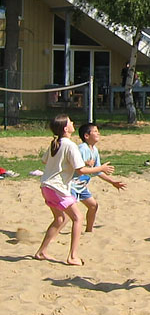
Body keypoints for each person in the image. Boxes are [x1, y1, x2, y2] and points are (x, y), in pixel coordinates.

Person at [35, 114, 115, 265]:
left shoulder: (55, 142)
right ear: (66, 128)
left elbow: (44, 160)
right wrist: (101, 168)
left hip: (46, 186)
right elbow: (81, 170)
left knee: (60, 219)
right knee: (77, 218)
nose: (73, 123)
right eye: (70, 122)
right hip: (57, 187)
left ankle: (41, 252)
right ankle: (72, 256)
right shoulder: (70, 144)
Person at [69, 123, 127, 232]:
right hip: (71, 184)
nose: (98, 133)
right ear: (86, 136)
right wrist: (85, 162)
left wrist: (113, 182)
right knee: (68, 214)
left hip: (81, 185)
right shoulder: (81, 148)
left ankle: (89, 231)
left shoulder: (94, 150)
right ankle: (52, 236)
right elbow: (73, 164)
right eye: (95, 131)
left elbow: (98, 171)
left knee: (93, 206)